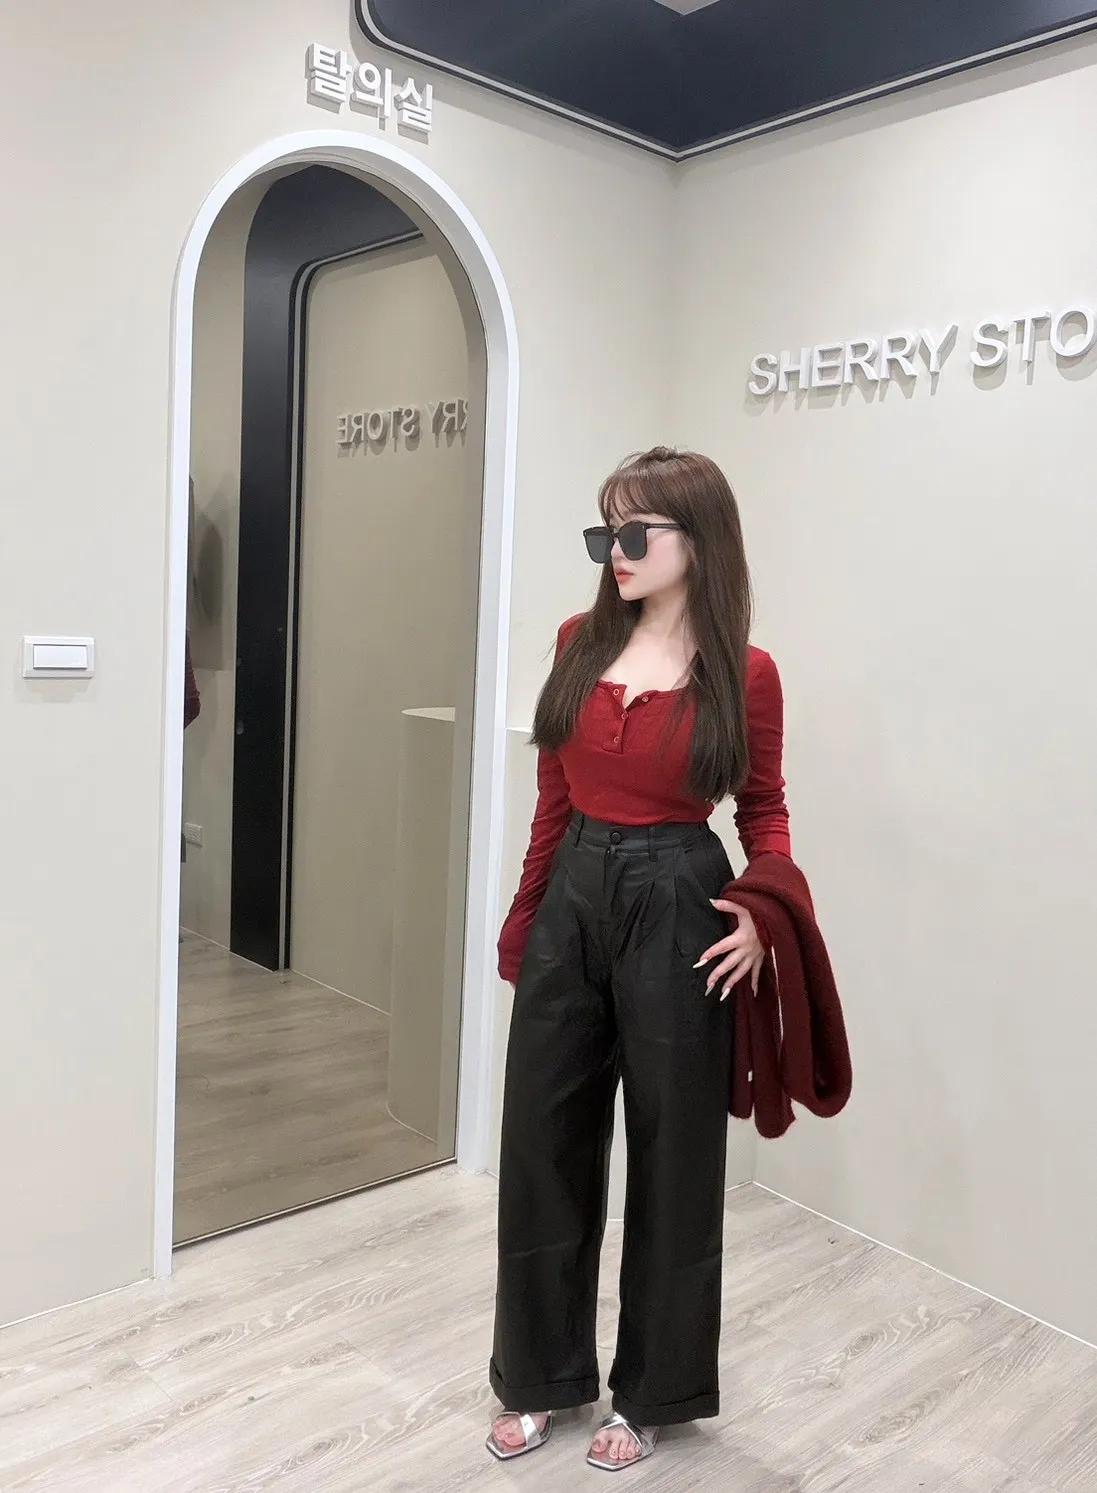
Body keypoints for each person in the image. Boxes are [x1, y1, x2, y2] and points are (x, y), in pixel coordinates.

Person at [486, 446, 792, 1470]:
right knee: (541, 1142)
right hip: (574, 891)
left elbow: (762, 810)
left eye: (631, 532)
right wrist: (526, 917)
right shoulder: (579, 641)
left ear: (695, 541)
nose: (612, 552)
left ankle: (651, 1393)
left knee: (673, 1156)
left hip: (679, 898)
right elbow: (554, 797)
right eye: (602, 531)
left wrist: (760, 911)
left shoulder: (744, 670)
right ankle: (538, 1378)